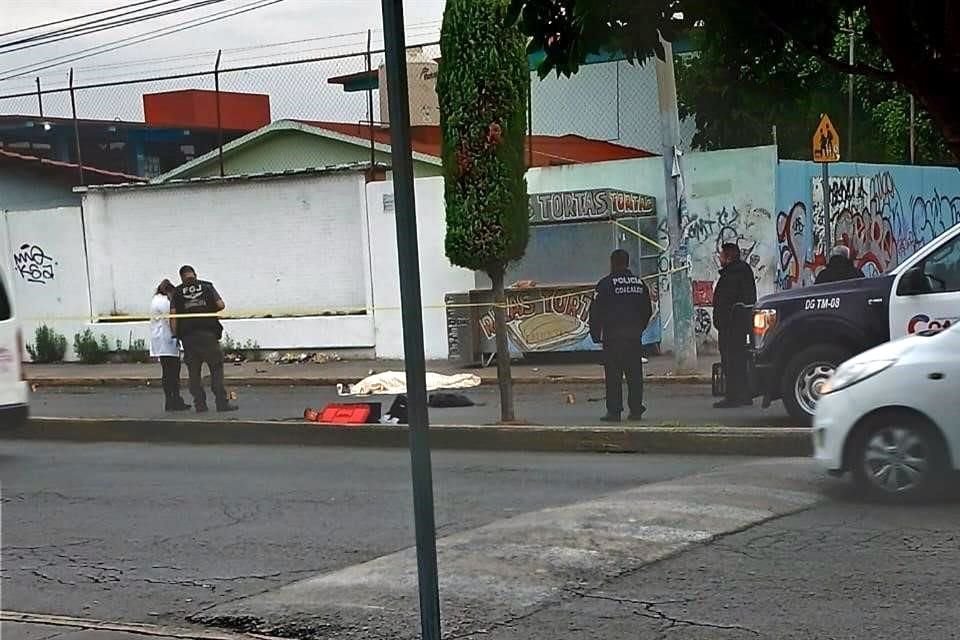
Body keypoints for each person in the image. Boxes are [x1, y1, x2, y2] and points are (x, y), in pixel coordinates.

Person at [588, 249, 653, 423]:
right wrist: (640, 328)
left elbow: (596, 311)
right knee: (635, 375)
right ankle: (636, 409)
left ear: (612, 263)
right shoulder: (639, 284)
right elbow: (647, 309)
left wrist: (595, 334)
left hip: (613, 337)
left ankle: (614, 411)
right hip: (633, 337)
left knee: (613, 376)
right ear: (627, 262)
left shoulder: (605, 284)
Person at [171, 265, 237, 413]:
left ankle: (200, 405)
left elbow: (173, 315)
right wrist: (207, 308)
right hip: (208, 335)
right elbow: (221, 305)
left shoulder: (177, 292)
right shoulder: (207, 286)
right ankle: (221, 403)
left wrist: (175, 335)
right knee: (216, 369)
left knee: (194, 373)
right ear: (195, 274)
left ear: (181, 277)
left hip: (189, 338)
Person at [713, 243, 757, 409]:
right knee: (738, 360)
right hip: (738, 324)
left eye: (722, 255)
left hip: (731, 326)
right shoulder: (741, 271)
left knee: (731, 361)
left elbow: (727, 301)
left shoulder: (733, 275)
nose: (720, 257)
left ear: (729, 256)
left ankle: (732, 396)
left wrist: (724, 320)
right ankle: (744, 394)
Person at [150, 279, 189, 412]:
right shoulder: (165, 302)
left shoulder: (155, 300)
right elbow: (172, 319)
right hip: (167, 340)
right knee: (172, 372)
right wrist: (177, 336)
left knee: (167, 372)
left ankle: (171, 400)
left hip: (160, 341)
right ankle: (174, 400)